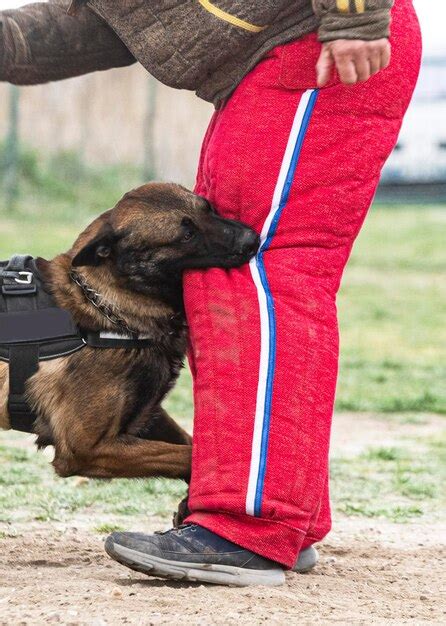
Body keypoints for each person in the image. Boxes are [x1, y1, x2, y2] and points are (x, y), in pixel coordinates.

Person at [1, 0, 421, 586]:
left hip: (313, 44)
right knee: (235, 281)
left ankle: (249, 523)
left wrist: (354, 16)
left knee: (258, 274)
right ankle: (274, 518)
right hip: (274, 63)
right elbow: (99, 27)